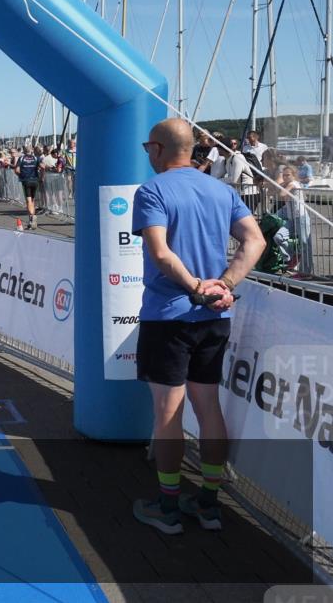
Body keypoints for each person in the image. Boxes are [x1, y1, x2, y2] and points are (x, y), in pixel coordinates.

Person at [131, 119, 265, 535]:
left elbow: (160, 252)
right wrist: (222, 285)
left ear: (157, 149)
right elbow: (255, 241)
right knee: (208, 407)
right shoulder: (221, 190)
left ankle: (168, 507)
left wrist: (196, 288)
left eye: (147, 148)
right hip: (215, 318)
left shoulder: (152, 190)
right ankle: (208, 504)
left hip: (170, 316)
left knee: (168, 413)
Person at [15, 145, 42, 229]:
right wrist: (42, 177)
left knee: (29, 200)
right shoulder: (36, 158)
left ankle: (31, 217)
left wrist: (20, 176)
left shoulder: (21, 158)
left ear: (23, 150)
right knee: (32, 200)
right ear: (32, 150)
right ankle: (31, 219)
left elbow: (17, 170)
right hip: (35, 180)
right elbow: (43, 166)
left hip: (26, 181)